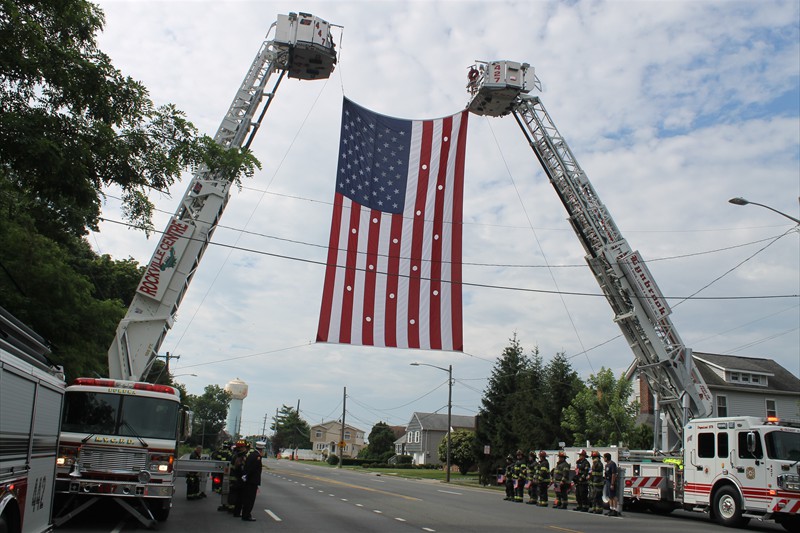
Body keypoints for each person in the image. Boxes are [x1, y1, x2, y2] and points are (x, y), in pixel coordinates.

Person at [239, 441, 264, 521]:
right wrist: (248, 476)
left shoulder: (252, 454)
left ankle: (245, 514)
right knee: (250, 499)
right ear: (261, 449)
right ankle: (246, 515)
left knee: (247, 498)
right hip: (252, 481)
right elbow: (253, 469)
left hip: (249, 480)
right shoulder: (257, 456)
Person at [230, 440, 249, 517]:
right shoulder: (240, 456)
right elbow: (241, 469)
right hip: (238, 479)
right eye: (244, 447)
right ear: (241, 448)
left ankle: (233, 509)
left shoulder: (235, 455)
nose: (245, 449)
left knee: (234, 494)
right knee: (239, 496)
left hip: (235, 478)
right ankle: (235, 511)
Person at [603, 452, 620, 517]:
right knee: (610, 496)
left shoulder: (612, 464)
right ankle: (611, 509)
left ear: (606, 458)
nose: (603, 459)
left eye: (604, 457)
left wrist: (612, 484)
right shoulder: (606, 465)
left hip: (611, 481)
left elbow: (613, 474)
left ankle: (615, 510)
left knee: (613, 496)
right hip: (607, 481)